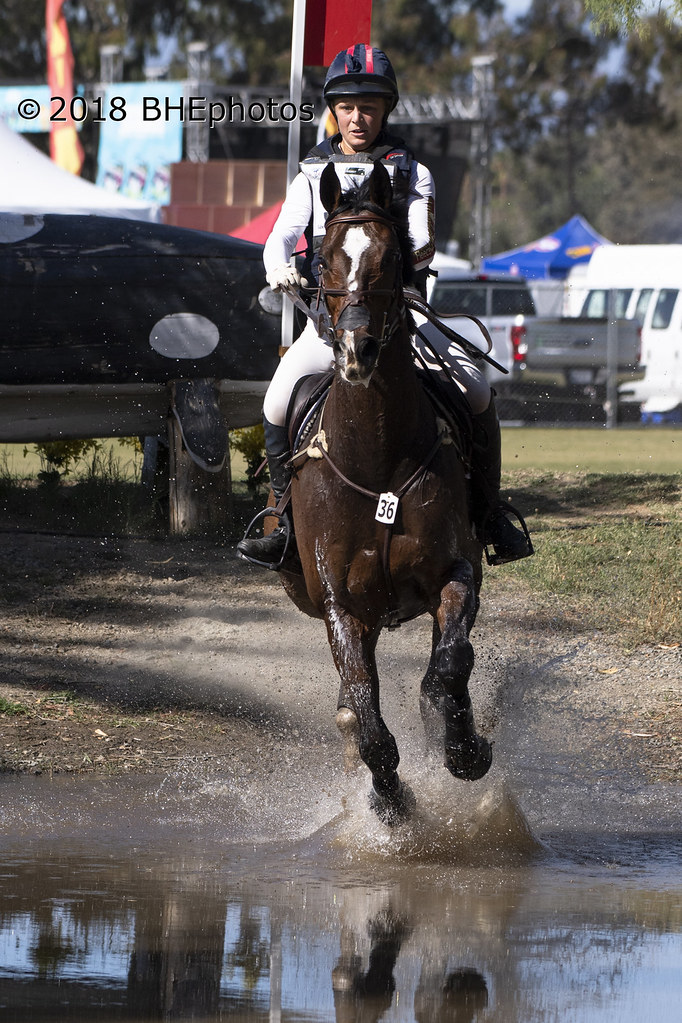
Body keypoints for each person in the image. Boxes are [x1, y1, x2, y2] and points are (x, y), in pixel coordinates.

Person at [237, 43, 531, 568]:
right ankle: (281, 520)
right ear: (334, 109)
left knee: (479, 391)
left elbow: (423, 246)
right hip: (329, 324)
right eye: (347, 106)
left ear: (385, 110)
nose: (357, 117)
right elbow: (278, 238)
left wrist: (376, 239)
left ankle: (489, 518)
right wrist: (278, 267)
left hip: (405, 317)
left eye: (368, 106)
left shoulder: (412, 172)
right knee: (276, 404)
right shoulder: (311, 172)